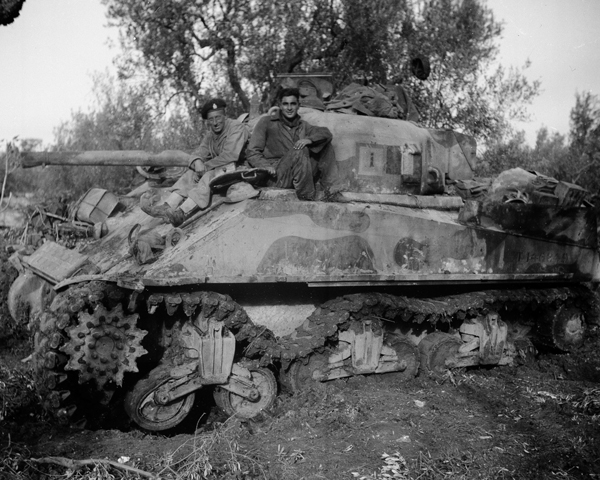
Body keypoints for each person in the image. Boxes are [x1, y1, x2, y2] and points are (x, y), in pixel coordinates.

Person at [141, 98, 248, 226]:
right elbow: (198, 153)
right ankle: (168, 206)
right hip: (221, 168)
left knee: (208, 175)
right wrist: (197, 161)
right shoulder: (211, 135)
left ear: (224, 115)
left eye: (218, 117)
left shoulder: (236, 127)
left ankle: (181, 213)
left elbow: (230, 155)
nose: (215, 123)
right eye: (211, 120)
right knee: (191, 173)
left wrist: (205, 166)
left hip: (241, 167)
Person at [246, 87, 338, 200]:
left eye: (293, 104)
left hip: (298, 174)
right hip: (276, 175)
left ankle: (331, 191)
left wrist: (309, 140)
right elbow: (252, 152)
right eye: (285, 104)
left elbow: (325, 133)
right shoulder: (267, 122)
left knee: (325, 144)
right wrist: (265, 165)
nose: (289, 108)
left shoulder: (302, 125)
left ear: (298, 105)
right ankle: (306, 197)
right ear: (280, 105)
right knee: (300, 150)